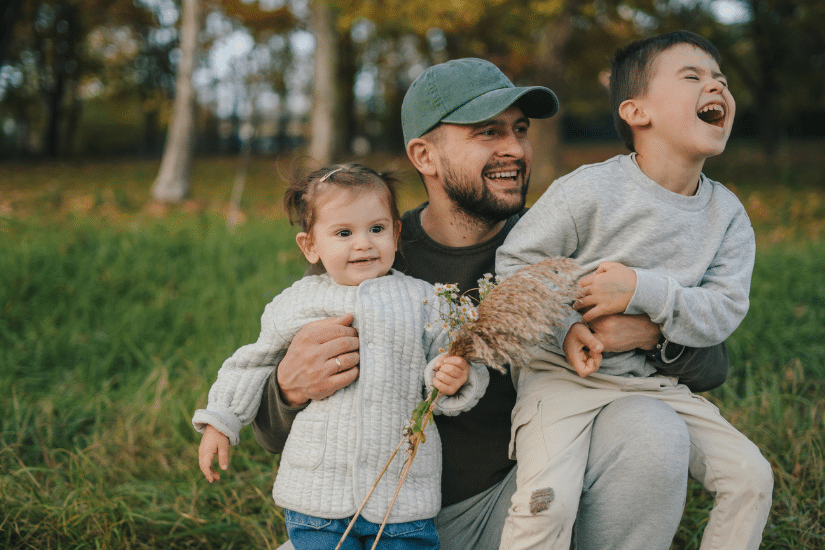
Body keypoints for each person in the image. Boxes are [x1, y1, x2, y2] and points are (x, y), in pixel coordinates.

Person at [254, 58, 730, 550]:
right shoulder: (371, 257)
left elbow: (712, 364)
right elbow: (270, 432)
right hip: (383, 518)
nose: (515, 149)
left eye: (519, 130)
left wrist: (651, 333)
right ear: (425, 155)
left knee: (651, 427)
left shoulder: (560, 244)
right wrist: (288, 388)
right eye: (487, 132)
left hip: (523, 507)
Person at [495, 31, 773, 550]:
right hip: (561, 380)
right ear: (636, 111)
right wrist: (564, 328)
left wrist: (643, 291)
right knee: (544, 506)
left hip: (650, 385)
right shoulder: (589, 190)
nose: (714, 85)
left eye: (721, 79)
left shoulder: (728, 216)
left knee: (751, 478)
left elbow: (723, 310)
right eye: (692, 76)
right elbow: (517, 262)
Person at [193, 163, 490, 549]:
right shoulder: (298, 302)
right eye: (344, 233)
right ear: (310, 246)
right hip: (317, 495)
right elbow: (254, 361)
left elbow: (457, 355)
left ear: (397, 234)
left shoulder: (424, 299)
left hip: (402, 497)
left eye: (377, 229)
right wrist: (221, 420)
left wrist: (453, 377)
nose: (363, 243)